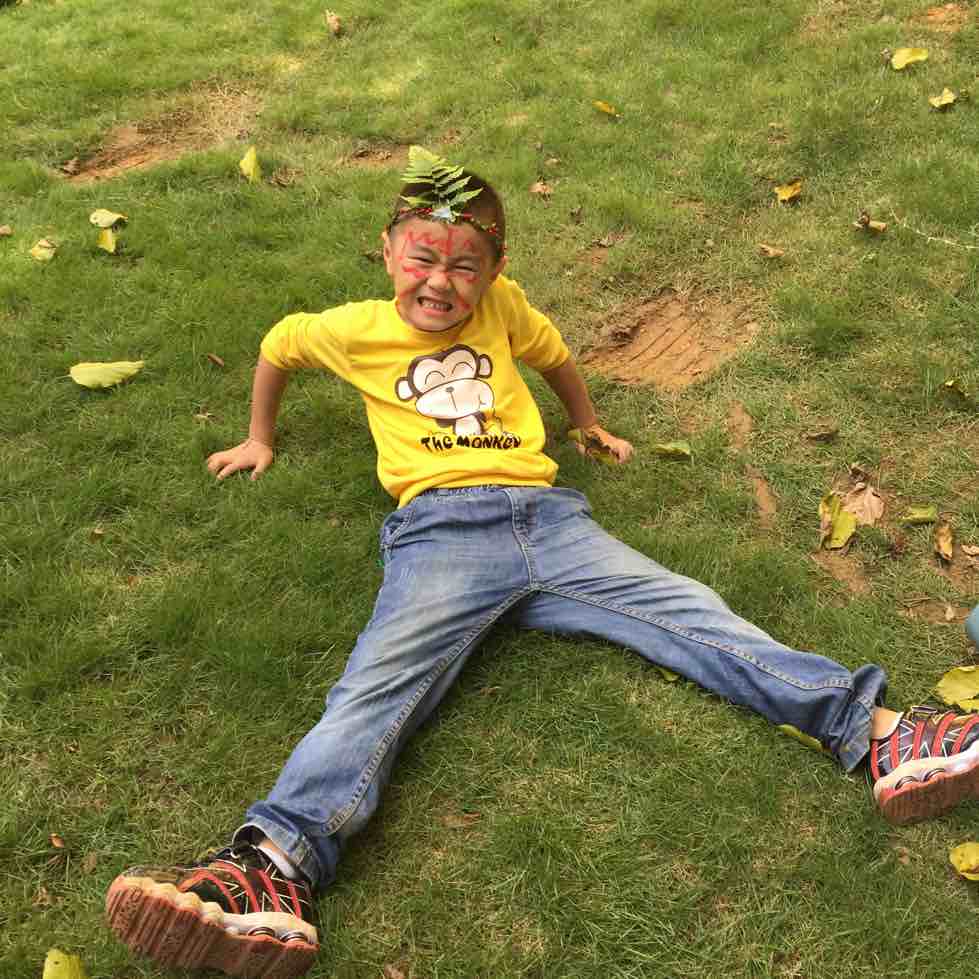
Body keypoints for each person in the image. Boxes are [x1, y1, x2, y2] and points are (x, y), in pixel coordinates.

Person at [105, 147, 979, 979]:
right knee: (377, 681)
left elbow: (554, 355)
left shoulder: (506, 307)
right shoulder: (350, 330)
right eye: (421, 258)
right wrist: (259, 436)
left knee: (686, 609)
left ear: (494, 269)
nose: (440, 281)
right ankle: (270, 867)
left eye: (464, 266)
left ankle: (881, 735)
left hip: (550, 521)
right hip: (440, 533)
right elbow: (278, 344)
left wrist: (585, 423)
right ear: (387, 250)